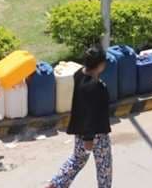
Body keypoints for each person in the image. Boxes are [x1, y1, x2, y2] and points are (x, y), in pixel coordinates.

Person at [48, 46, 112, 188]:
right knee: (104, 167)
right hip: (96, 133)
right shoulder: (96, 87)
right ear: (100, 65)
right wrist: (89, 138)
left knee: (77, 160)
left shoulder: (78, 75)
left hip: (80, 129)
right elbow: (92, 114)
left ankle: (56, 184)